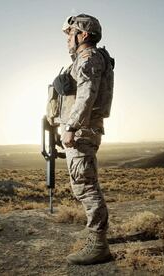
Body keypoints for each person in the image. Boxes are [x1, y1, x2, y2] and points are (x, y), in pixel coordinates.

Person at [54, 14, 114, 265]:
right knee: (84, 183)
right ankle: (95, 236)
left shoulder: (88, 59)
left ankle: (98, 245)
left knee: (85, 186)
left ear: (84, 34)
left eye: (71, 33)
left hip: (81, 131)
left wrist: (70, 126)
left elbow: (87, 96)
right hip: (82, 129)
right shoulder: (84, 60)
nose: (68, 38)